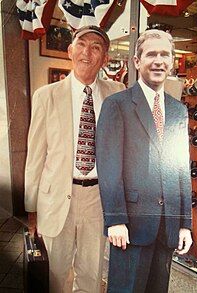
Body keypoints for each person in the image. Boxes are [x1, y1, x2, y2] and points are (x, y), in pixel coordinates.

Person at [25, 25, 125, 293]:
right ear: (70, 51)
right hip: (56, 196)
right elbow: (35, 156)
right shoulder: (46, 96)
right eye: (82, 44)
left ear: (105, 58)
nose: (87, 52)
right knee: (54, 275)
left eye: (96, 48)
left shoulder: (117, 94)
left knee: (91, 275)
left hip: (97, 197)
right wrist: (31, 208)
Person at [96, 29, 193, 293]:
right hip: (130, 228)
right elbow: (109, 167)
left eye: (165, 55)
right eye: (151, 54)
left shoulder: (178, 110)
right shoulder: (117, 105)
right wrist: (115, 219)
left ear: (172, 61)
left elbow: (181, 170)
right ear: (137, 62)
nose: (158, 61)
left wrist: (185, 224)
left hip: (166, 228)